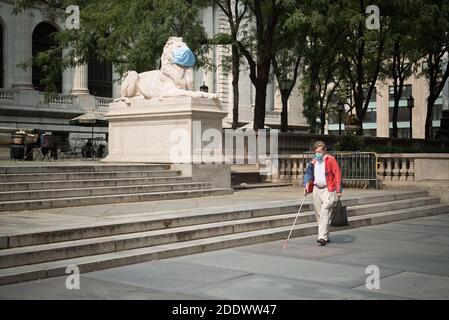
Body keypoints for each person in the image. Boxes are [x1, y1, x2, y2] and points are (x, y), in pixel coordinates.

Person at [303, 141, 342, 246]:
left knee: (325, 211)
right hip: (316, 189)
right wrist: (306, 184)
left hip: (327, 189)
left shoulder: (330, 160)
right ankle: (326, 234)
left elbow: (337, 174)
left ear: (324, 151)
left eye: (319, 151)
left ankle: (322, 237)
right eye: (316, 151)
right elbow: (308, 174)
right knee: (319, 214)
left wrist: (338, 190)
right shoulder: (314, 162)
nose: (317, 153)